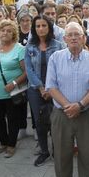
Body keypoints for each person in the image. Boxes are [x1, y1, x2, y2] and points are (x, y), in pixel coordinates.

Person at [45, 22, 89, 177]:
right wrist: (69, 106)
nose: (74, 38)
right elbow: (51, 86)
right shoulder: (55, 57)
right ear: (64, 39)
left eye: (78, 34)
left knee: (88, 150)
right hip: (61, 113)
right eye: (70, 35)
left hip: (86, 113)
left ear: (84, 38)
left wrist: (80, 105)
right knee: (62, 151)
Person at [25, 16, 64, 167]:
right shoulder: (30, 46)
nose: (40, 28)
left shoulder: (59, 45)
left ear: (49, 28)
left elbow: (61, 69)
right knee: (39, 122)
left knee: (55, 121)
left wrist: (50, 88)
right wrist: (41, 87)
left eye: (43, 25)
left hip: (55, 89)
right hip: (36, 90)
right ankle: (44, 151)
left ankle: (57, 150)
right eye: (37, 26)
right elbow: (29, 69)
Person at [0, 20, 27, 158]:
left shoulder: (19, 49)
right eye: (3, 30)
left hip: (12, 91)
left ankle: (11, 144)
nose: (5, 33)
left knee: (12, 118)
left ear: (14, 34)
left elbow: (27, 72)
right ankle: (3, 142)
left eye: (9, 31)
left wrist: (14, 83)